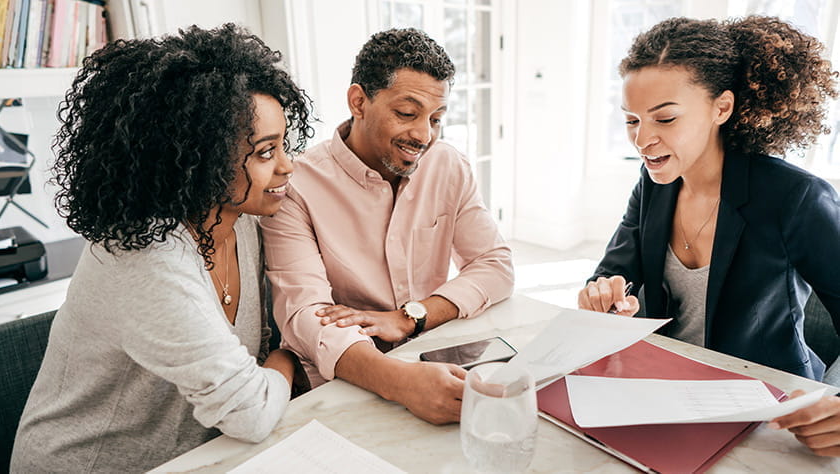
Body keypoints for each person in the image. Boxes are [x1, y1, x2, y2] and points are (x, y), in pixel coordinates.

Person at [11, 24, 314, 472]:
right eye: (266, 152)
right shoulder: (145, 257)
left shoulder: (242, 223)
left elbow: (249, 366)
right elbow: (249, 410)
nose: (289, 166)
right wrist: (287, 358)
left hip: (198, 457)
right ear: (203, 157)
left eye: (284, 144)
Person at [577, 16, 840, 457]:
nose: (642, 139)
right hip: (666, 391)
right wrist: (602, 295)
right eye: (631, 121)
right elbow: (613, 272)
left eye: (665, 118)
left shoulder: (796, 198)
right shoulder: (652, 185)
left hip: (768, 409)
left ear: (721, 108)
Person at [260, 28, 514, 424]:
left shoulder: (448, 166)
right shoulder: (296, 186)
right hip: (347, 383)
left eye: (436, 119)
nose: (424, 135)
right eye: (407, 114)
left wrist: (413, 315)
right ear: (358, 101)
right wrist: (401, 382)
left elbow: (495, 265)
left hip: (441, 361)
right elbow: (305, 314)